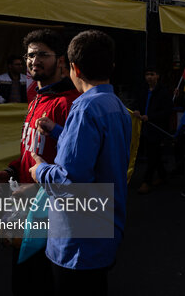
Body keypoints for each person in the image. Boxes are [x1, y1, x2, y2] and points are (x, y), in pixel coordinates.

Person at [30, 30, 131, 295]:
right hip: (104, 226)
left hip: (77, 238)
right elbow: (97, 154)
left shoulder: (85, 107)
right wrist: (58, 131)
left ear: (73, 68)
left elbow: (69, 180)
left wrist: (40, 169)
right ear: (111, 65)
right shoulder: (116, 105)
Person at [0, 30, 78, 296]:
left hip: (55, 212)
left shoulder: (70, 103)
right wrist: (10, 170)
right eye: (30, 55)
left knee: (42, 280)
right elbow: (31, 151)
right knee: (26, 277)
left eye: (43, 54)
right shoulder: (36, 101)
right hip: (27, 207)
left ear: (61, 61)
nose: (34, 60)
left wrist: (39, 190)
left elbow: (77, 170)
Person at [133, 66, 172, 194]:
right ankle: (163, 176)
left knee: (152, 154)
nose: (149, 77)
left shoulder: (164, 91)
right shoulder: (142, 90)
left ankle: (147, 181)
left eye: (152, 74)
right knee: (154, 154)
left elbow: (166, 112)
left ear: (157, 76)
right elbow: (137, 103)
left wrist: (150, 117)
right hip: (145, 127)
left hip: (157, 128)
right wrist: (137, 110)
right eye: (147, 74)